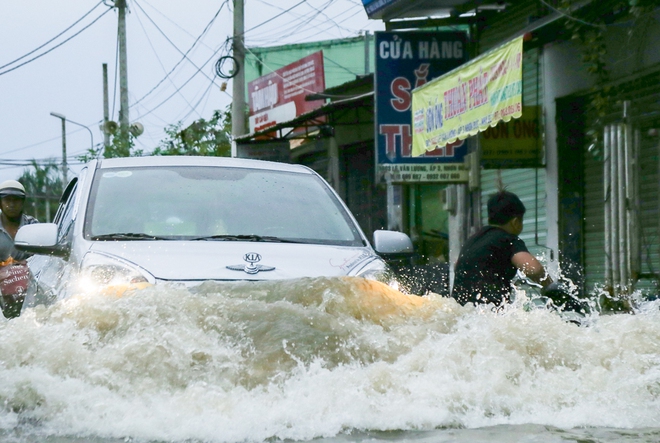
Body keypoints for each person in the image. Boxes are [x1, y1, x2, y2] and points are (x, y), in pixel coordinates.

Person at [451, 190, 552, 307]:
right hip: (488, 312)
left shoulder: (473, 240)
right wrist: (549, 286)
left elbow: (459, 267)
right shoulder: (507, 240)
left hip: (461, 312)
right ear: (515, 222)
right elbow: (534, 269)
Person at [0, 180, 38, 318]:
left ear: (22, 203)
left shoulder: (32, 225)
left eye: (16, 200)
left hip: (29, 286)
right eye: (7, 200)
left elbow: (43, 256)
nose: (11, 204)